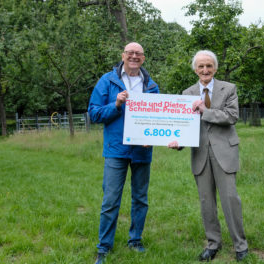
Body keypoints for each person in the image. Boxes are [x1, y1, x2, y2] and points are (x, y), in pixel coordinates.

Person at [168, 50, 249, 262]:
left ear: (215, 68)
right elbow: (185, 126)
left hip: (225, 151)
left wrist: (205, 110)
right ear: (195, 69)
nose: (205, 70)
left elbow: (232, 116)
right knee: (206, 202)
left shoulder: (228, 89)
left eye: (209, 66)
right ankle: (213, 243)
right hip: (200, 153)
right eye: (201, 66)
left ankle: (240, 245)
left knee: (230, 199)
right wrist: (178, 142)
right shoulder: (186, 93)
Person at [88, 42, 159, 264]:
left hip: (142, 152)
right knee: (110, 200)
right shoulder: (107, 81)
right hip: (116, 150)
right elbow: (94, 113)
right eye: (130, 53)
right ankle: (104, 247)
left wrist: (152, 137)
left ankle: (135, 240)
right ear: (123, 56)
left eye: (138, 53)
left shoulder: (152, 86)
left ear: (144, 58)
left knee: (140, 198)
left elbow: (157, 119)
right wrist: (116, 104)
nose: (134, 56)